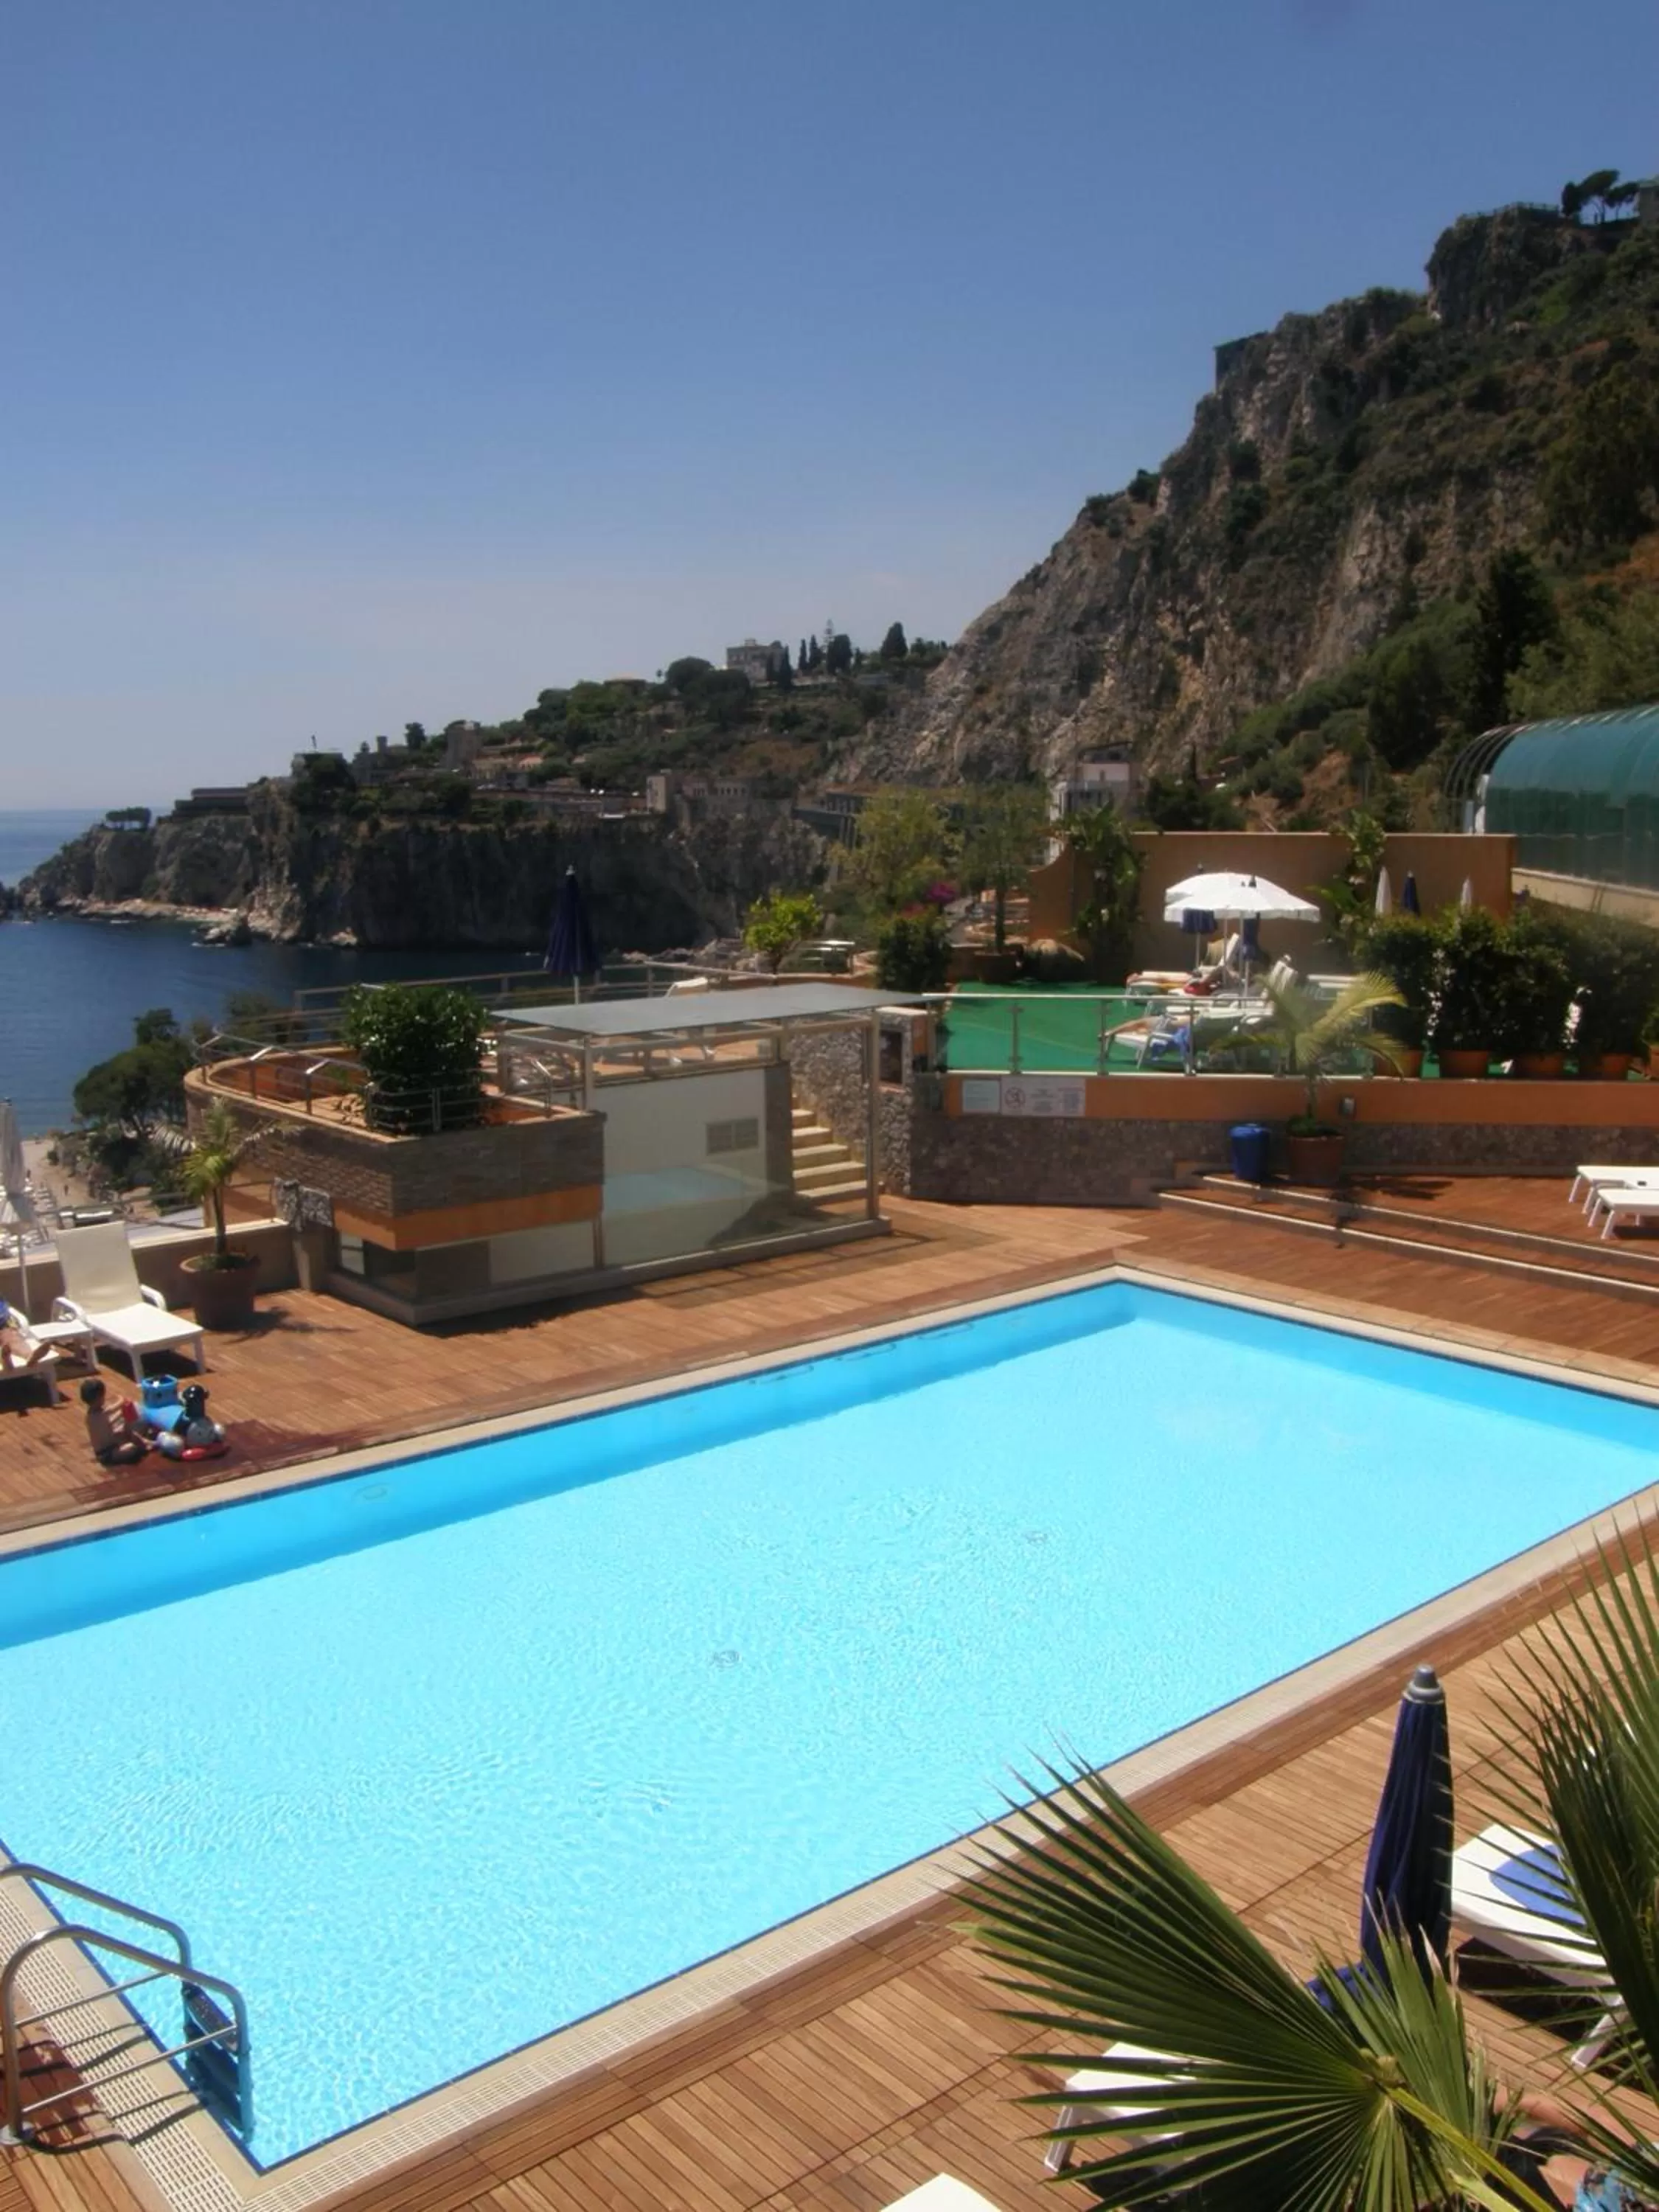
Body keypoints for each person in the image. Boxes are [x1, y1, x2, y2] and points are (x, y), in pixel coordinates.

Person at [80, 1377, 150, 1467]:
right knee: (132, 1449)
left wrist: (123, 1414)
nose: (103, 1400)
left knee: (124, 1430)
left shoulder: (91, 1416)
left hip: (112, 1443)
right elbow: (114, 1408)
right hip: (106, 1454)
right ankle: (142, 1445)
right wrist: (121, 1400)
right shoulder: (101, 1414)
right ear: (98, 1399)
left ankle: (142, 1441)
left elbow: (109, 1422)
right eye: (102, 1397)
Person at [0, 1301, 51, 1374]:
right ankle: (6, 1360)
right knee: (11, 1338)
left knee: (14, 1339)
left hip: (3, 1328)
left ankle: (29, 1356)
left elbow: (5, 1314)